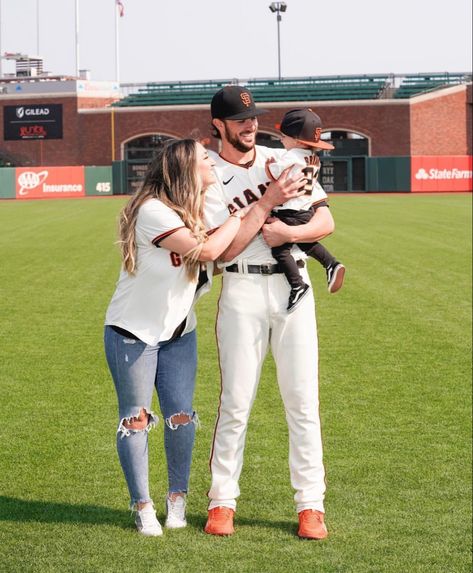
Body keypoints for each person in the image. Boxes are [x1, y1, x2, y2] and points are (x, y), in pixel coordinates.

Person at [203, 86, 335, 540]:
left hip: (292, 284)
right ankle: (222, 502)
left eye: (254, 117)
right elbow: (223, 251)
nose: (250, 124)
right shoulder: (205, 172)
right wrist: (267, 202)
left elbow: (325, 221)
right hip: (240, 285)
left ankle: (311, 505)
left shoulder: (279, 157)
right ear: (218, 125)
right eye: (240, 119)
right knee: (236, 403)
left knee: (303, 402)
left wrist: (284, 234)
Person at [103, 139, 248, 537]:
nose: (211, 163)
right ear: (186, 169)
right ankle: (143, 506)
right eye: (205, 158)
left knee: (181, 418)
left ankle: (177, 499)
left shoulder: (194, 211)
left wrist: (245, 216)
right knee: (136, 419)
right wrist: (242, 215)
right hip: (133, 332)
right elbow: (207, 251)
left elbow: (215, 260)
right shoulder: (152, 211)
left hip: (179, 332)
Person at [266, 108, 345, 311]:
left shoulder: (291, 156)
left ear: (296, 139)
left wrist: (268, 166)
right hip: (305, 209)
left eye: (283, 136)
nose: (281, 140)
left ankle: (297, 285)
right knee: (306, 243)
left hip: (289, 210)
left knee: (280, 251)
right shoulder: (313, 158)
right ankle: (331, 263)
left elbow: (273, 173)